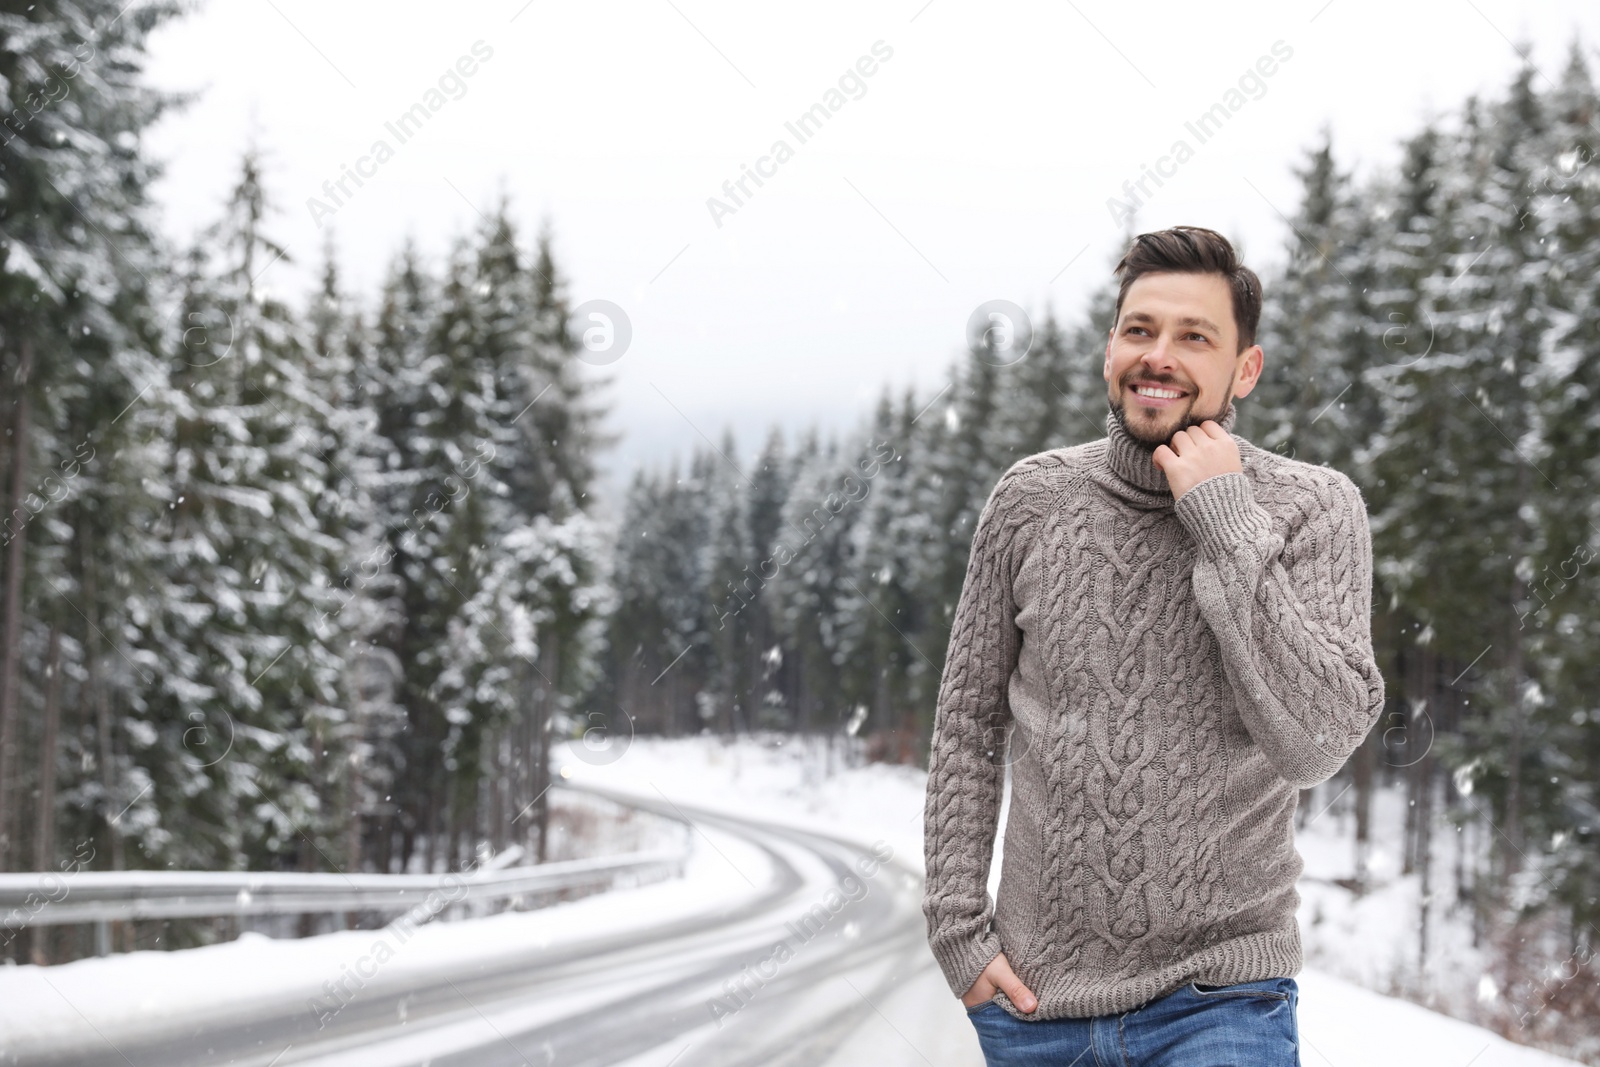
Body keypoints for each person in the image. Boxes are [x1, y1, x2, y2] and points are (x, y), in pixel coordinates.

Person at [920, 225, 1386, 1066]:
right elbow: (968, 725)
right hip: (1035, 1006)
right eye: (1139, 329)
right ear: (1110, 348)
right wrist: (959, 929)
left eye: (1194, 336)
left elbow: (1316, 740)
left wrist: (1227, 521)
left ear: (1246, 368)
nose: (1158, 355)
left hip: (1223, 999)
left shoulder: (1314, 508)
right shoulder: (1031, 500)